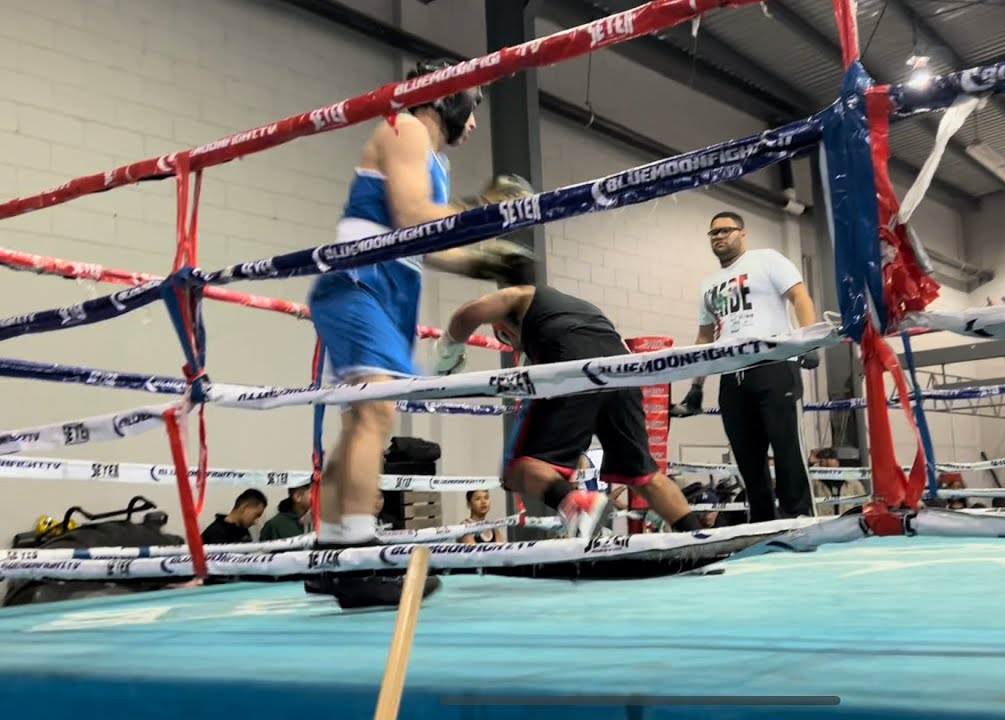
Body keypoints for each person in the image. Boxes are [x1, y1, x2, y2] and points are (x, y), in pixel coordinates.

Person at [305, 58, 536, 609]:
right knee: (374, 413)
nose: (473, 122)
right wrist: (481, 212)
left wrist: (485, 260)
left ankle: (331, 553)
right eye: (471, 106)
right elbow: (413, 215)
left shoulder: (435, 162)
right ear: (448, 96)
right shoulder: (405, 127)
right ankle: (357, 558)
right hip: (363, 282)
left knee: (361, 418)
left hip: (387, 289)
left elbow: (427, 243)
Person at [428, 283, 708, 538]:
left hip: (572, 364)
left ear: (505, 325)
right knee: (644, 476)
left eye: (506, 337)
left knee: (520, 468)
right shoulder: (578, 310)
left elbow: (470, 313)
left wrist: (446, 354)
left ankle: (580, 504)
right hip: (624, 371)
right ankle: (698, 537)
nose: (512, 344)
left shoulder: (520, 295)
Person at [672, 211, 820, 522]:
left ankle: (798, 518)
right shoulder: (708, 284)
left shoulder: (766, 260)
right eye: (713, 233)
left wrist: (808, 340)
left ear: (742, 233)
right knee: (748, 460)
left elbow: (799, 296)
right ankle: (762, 523)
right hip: (732, 376)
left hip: (773, 366)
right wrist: (696, 387)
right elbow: (705, 336)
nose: (719, 236)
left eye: (725, 230)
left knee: (786, 449)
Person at [200, 489, 267, 545]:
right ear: (244, 508)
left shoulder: (242, 529)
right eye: (256, 515)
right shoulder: (215, 533)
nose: (256, 522)